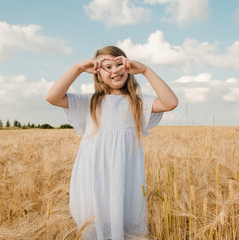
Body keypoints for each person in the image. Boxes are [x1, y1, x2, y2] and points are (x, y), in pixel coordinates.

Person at [46, 46, 178, 239]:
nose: (115, 70)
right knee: (94, 225)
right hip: (93, 178)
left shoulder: (138, 103)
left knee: (126, 224)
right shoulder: (89, 102)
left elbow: (170, 102)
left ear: (128, 67)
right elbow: (52, 97)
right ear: (98, 74)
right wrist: (79, 68)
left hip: (125, 178)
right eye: (107, 66)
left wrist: (145, 70)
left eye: (119, 64)